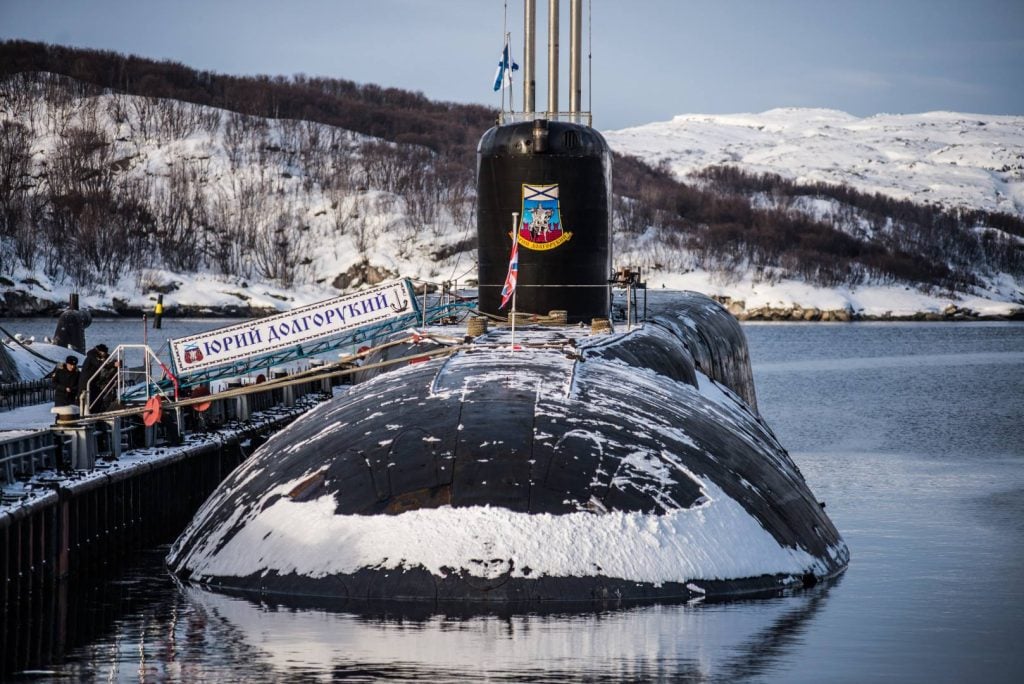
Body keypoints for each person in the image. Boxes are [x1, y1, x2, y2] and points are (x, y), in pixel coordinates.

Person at [79, 344, 114, 413]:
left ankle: (94, 412)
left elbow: (105, 359)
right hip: (86, 383)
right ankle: (86, 414)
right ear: (100, 352)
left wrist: (112, 360)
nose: (104, 355)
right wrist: (112, 364)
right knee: (87, 400)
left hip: (93, 382)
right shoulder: (92, 356)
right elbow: (100, 364)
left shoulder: (95, 355)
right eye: (104, 353)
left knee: (96, 398)